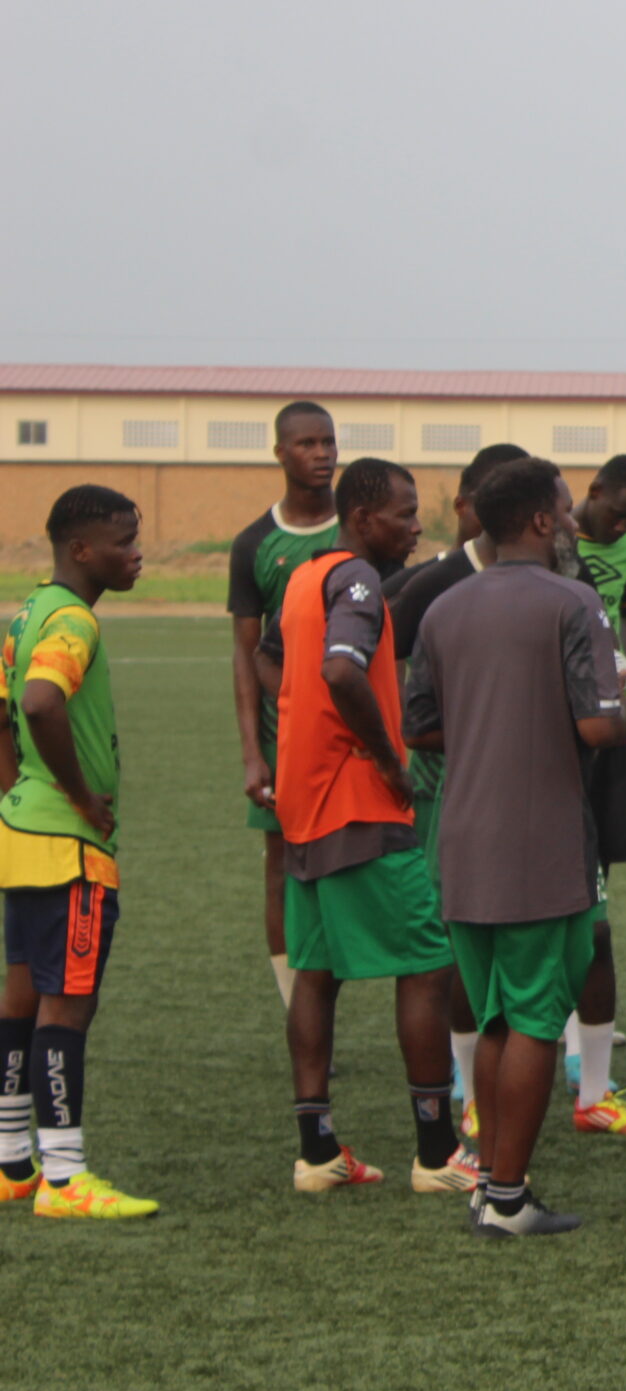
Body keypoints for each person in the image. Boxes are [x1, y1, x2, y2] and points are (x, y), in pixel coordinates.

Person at [403, 458, 626, 1237]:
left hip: (461, 839)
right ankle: (506, 1198)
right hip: (541, 843)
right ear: (539, 520)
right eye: (564, 513)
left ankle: (493, 1184)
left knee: (498, 1016)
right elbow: (599, 725)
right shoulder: (573, 600)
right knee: (536, 1017)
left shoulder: (444, 607)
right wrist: (623, 707)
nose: (571, 524)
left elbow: (418, 724)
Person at [262, 458, 473, 1195]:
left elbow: (270, 662)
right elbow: (343, 672)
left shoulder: (300, 576)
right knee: (426, 962)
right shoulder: (355, 581)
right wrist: (386, 757)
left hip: (303, 806)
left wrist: (298, 745)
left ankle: (317, 1152)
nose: (417, 526)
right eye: (404, 512)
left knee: (315, 975)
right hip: (359, 804)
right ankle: (437, 1151)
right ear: (362, 518)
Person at [0, 486, 155, 1218]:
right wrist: (82, 798)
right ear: (82, 549)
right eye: (125, 539)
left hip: (21, 834)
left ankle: (11, 1162)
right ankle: (64, 1177)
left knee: (23, 994)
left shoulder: (25, 610)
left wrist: (17, 792)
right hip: (68, 848)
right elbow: (37, 702)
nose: (138, 552)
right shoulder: (72, 621)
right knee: (69, 1007)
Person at [382, 442, 530, 1126]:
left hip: (525, 790)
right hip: (448, 785)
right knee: (454, 939)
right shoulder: (432, 585)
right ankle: (469, 1094)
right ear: (471, 507)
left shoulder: (549, 576)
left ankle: (507, 1075)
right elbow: (372, 669)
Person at [561, 453, 626, 1137]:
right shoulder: (556, 541)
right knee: (560, 882)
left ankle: (583, 1033)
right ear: (591, 492)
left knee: (598, 874)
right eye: (615, 510)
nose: (621, 524)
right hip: (562, 728)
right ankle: (567, 1032)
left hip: (610, 726)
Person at [230, 400, 340, 1008]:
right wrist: (253, 753)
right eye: (307, 443)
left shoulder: (360, 526)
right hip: (287, 737)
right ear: (281, 453)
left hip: (359, 731)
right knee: (283, 864)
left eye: (328, 441)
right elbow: (246, 654)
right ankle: (297, 1002)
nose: (322, 453)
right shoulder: (255, 543)